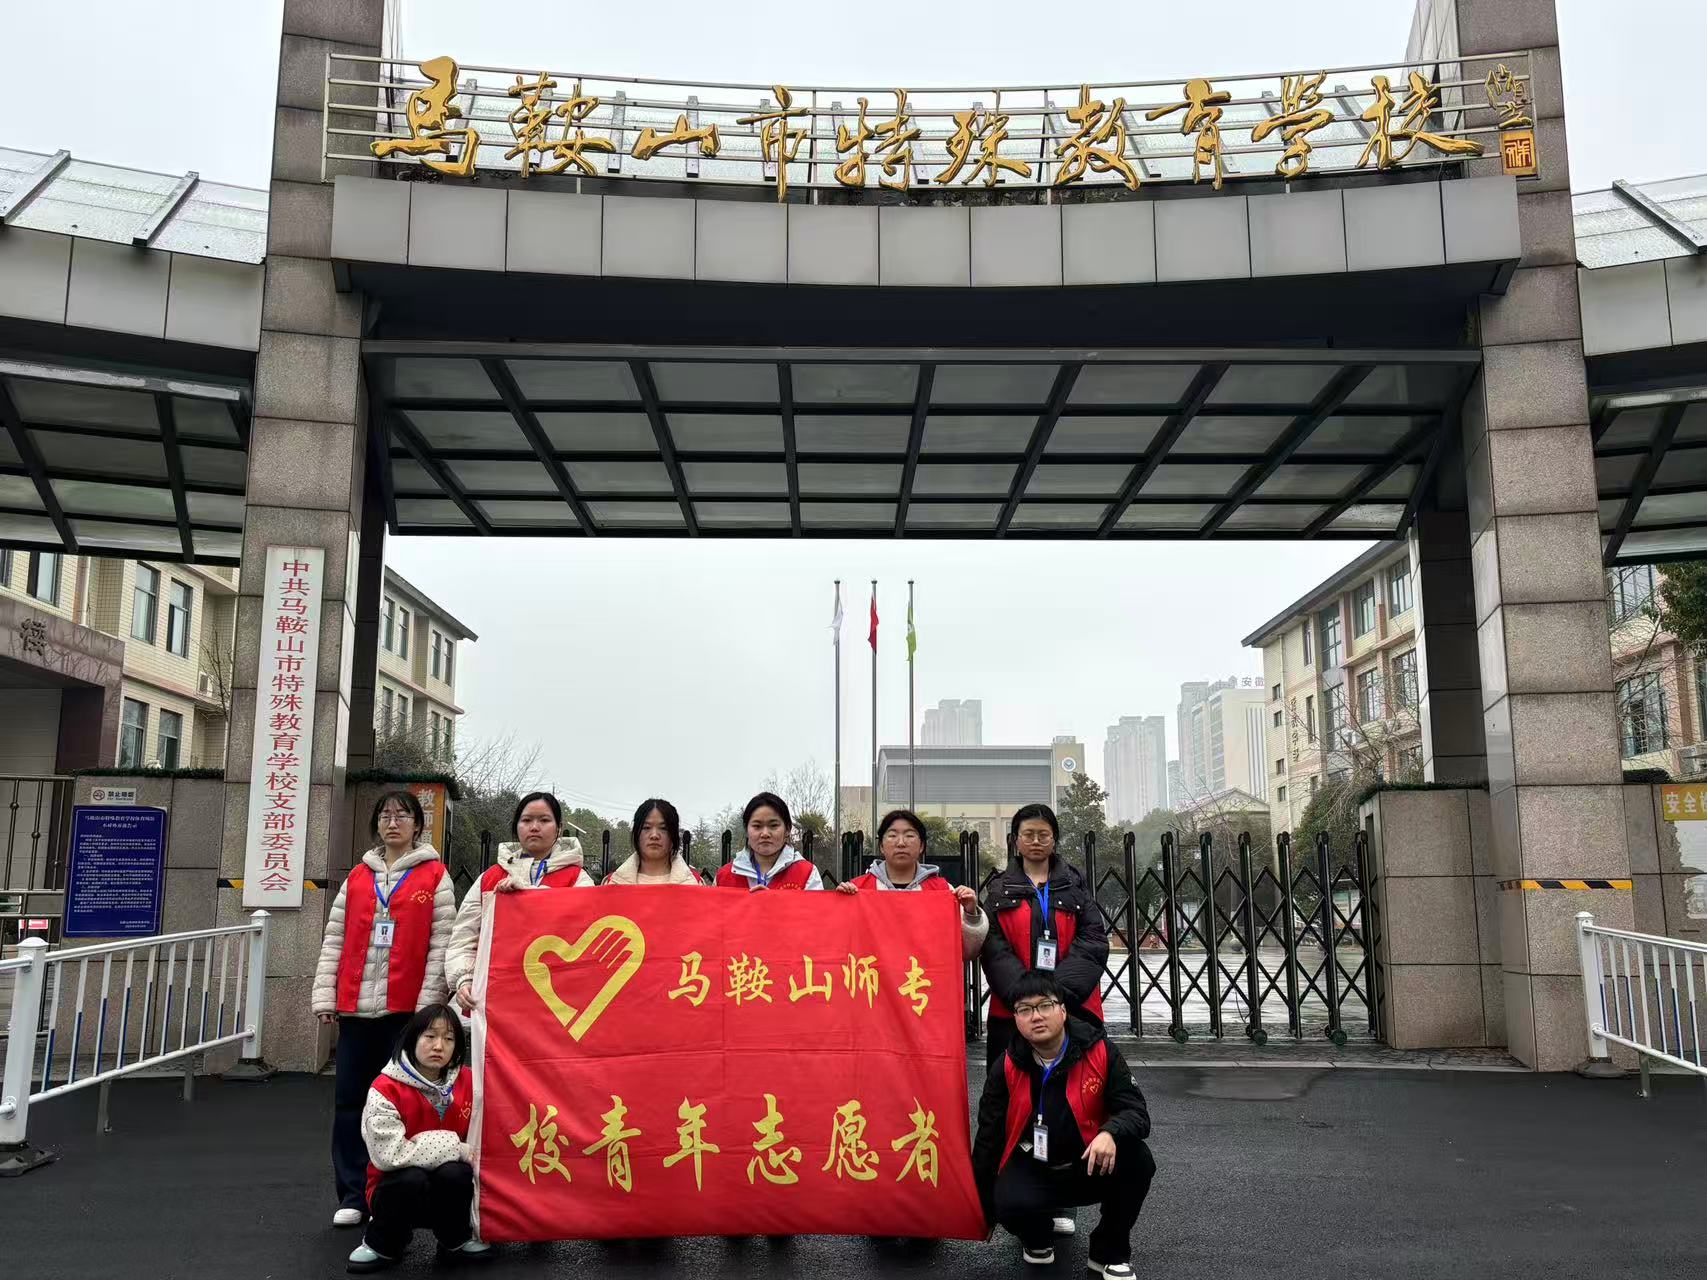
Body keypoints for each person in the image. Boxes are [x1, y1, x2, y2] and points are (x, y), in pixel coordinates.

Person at [312, 789, 456, 1229]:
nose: (393, 823)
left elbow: (441, 944)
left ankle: (391, 1193)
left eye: (403, 815)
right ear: (376, 824)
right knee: (350, 1102)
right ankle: (353, 1194)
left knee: (400, 1104)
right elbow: (334, 939)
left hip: (405, 1013)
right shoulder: (358, 877)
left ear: (418, 825)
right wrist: (326, 996)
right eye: (385, 816)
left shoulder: (435, 876)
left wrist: (427, 1008)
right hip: (357, 1010)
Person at [972, 972, 1154, 1277]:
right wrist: (982, 1209)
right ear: (1016, 1018)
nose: (1036, 1016)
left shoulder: (1100, 1052)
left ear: (1063, 1010)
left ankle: (1108, 1252)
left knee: (1138, 1160)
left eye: (1045, 1005)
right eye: (1025, 1009)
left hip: (1089, 1162)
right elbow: (988, 1137)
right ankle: (1037, 1235)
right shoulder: (1006, 1066)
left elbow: (1136, 1111)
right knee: (1007, 1202)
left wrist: (1110, 1132)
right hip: (1033, 1164)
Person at [347, 1003, 490, 1272]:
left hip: (446, 1187)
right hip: (395, 1187)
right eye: (430, 1036)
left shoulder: (471, 1082)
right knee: (410, 1178)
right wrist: (455, 1147)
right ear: (412, 1038)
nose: (439, 1046)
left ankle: (455, 1238)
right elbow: (390, 1154)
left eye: (449, 1039)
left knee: (456, 1173)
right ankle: (383, 1243)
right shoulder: (384, 1088)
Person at [980, 803, 1109, 1068]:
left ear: (1054, 839)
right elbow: (992, 949)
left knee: (1076, 1084)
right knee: (1012, 1083)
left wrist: (1057, 995)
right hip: (1013, 1010)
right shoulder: (999, 890)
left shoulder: (1075, 886)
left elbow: (1093, 940)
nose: (1036, 841)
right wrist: (1025, 995)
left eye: (1043, 834)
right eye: (1028, 834)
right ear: (1015, 840)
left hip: (1073, 1007)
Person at [447, 791, 593, 1012]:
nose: (534, 827)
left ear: (559, 828)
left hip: (556, 1002)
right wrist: (464, 979)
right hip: (496, 999)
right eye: (526, 820)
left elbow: (584, 932)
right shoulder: (489, 878)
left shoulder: (578, 879)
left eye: (544, 820)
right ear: (516, 826)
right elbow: (464, 937)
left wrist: (528, 895)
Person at [836, 808, 989, 959]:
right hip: (874, 974)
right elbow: (839, 946)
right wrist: (839, 906)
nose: (901, 843)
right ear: (881, 846)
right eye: (892, 835)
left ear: (921, 846)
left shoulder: (942, 890)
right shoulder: (858, 889)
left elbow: (968, 951)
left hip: (924, 975)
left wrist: (970, 913)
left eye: (909, 835)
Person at [714, 792, 825, 890]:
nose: (765, 834)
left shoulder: (807, 873)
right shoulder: (723, 876)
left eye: (773, 825)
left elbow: (817, 908)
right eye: (757, 826)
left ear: (787, 830)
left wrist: (772, 901)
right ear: (746, 830)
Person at [603, 798, 705, 885]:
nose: (654, 835)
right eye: (646, 827)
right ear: (636, 834)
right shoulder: (612, 883)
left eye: (663, 828)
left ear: (673, 835)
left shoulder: (695, 884)